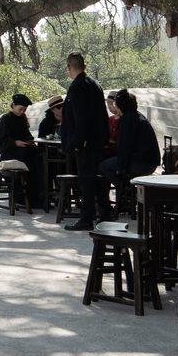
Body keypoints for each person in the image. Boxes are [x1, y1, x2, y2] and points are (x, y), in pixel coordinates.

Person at [59, 53, 112, 230]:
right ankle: (104, 213)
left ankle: (86, 218)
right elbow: (103, 114)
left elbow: (80, 117)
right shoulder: (95, 84)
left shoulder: (77, 87)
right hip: (97, 140)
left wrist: (77, 142)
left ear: (69, 67)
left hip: (86, 142)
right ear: (84, 65)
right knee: (96, 179)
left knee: (86, 180)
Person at [96, 89, 162, 219]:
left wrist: (121, 169)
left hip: (141, 163)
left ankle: (126, 190)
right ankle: (127, 192)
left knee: (103, 166)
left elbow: (125, 147)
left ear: (120, 106)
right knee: (111, 164)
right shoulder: (136, 116)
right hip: (148, 161)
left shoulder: (128, 120)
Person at [0, 92, 45, 203]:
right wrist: (15, 143)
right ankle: (21, 197)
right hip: (10, 153)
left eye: (24, 110)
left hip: (23, 151)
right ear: (13, 106)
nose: (22, 112)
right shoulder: (5, 119)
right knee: (32, 162)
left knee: (39, 158)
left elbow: (27, 135)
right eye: (20, 109)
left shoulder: (22, 120)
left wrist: (28, 141)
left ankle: (36, 196)